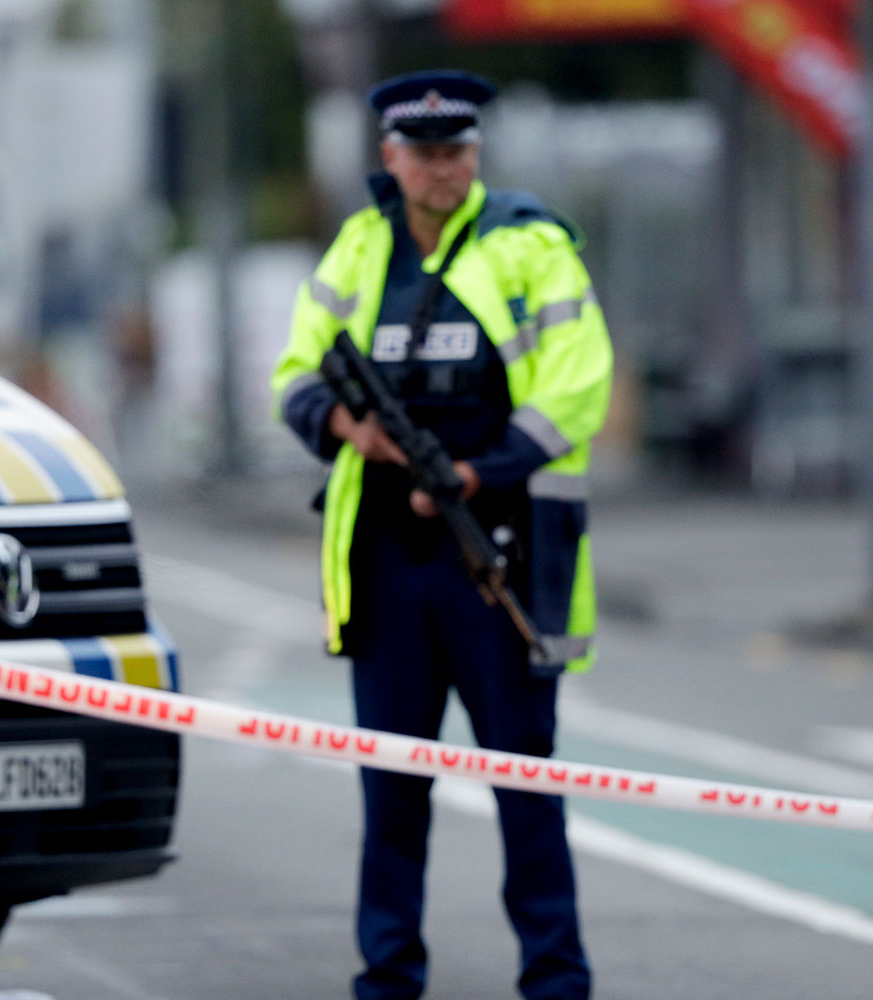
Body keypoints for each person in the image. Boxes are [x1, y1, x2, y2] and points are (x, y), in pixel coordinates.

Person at [271, 69, 612, 1000]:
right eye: (423, 154)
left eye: (456, 151)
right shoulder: (359, 247)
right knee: (390, 787)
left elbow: (579, 382)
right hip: (384, 560)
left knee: (523, 783)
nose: (441, 170)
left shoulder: (529, 246)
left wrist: (478, 470)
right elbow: (297, 370)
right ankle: (387, 975)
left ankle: (556, 978)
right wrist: (349, 428)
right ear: (391, 158)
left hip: (496, 548)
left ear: (476, 154)